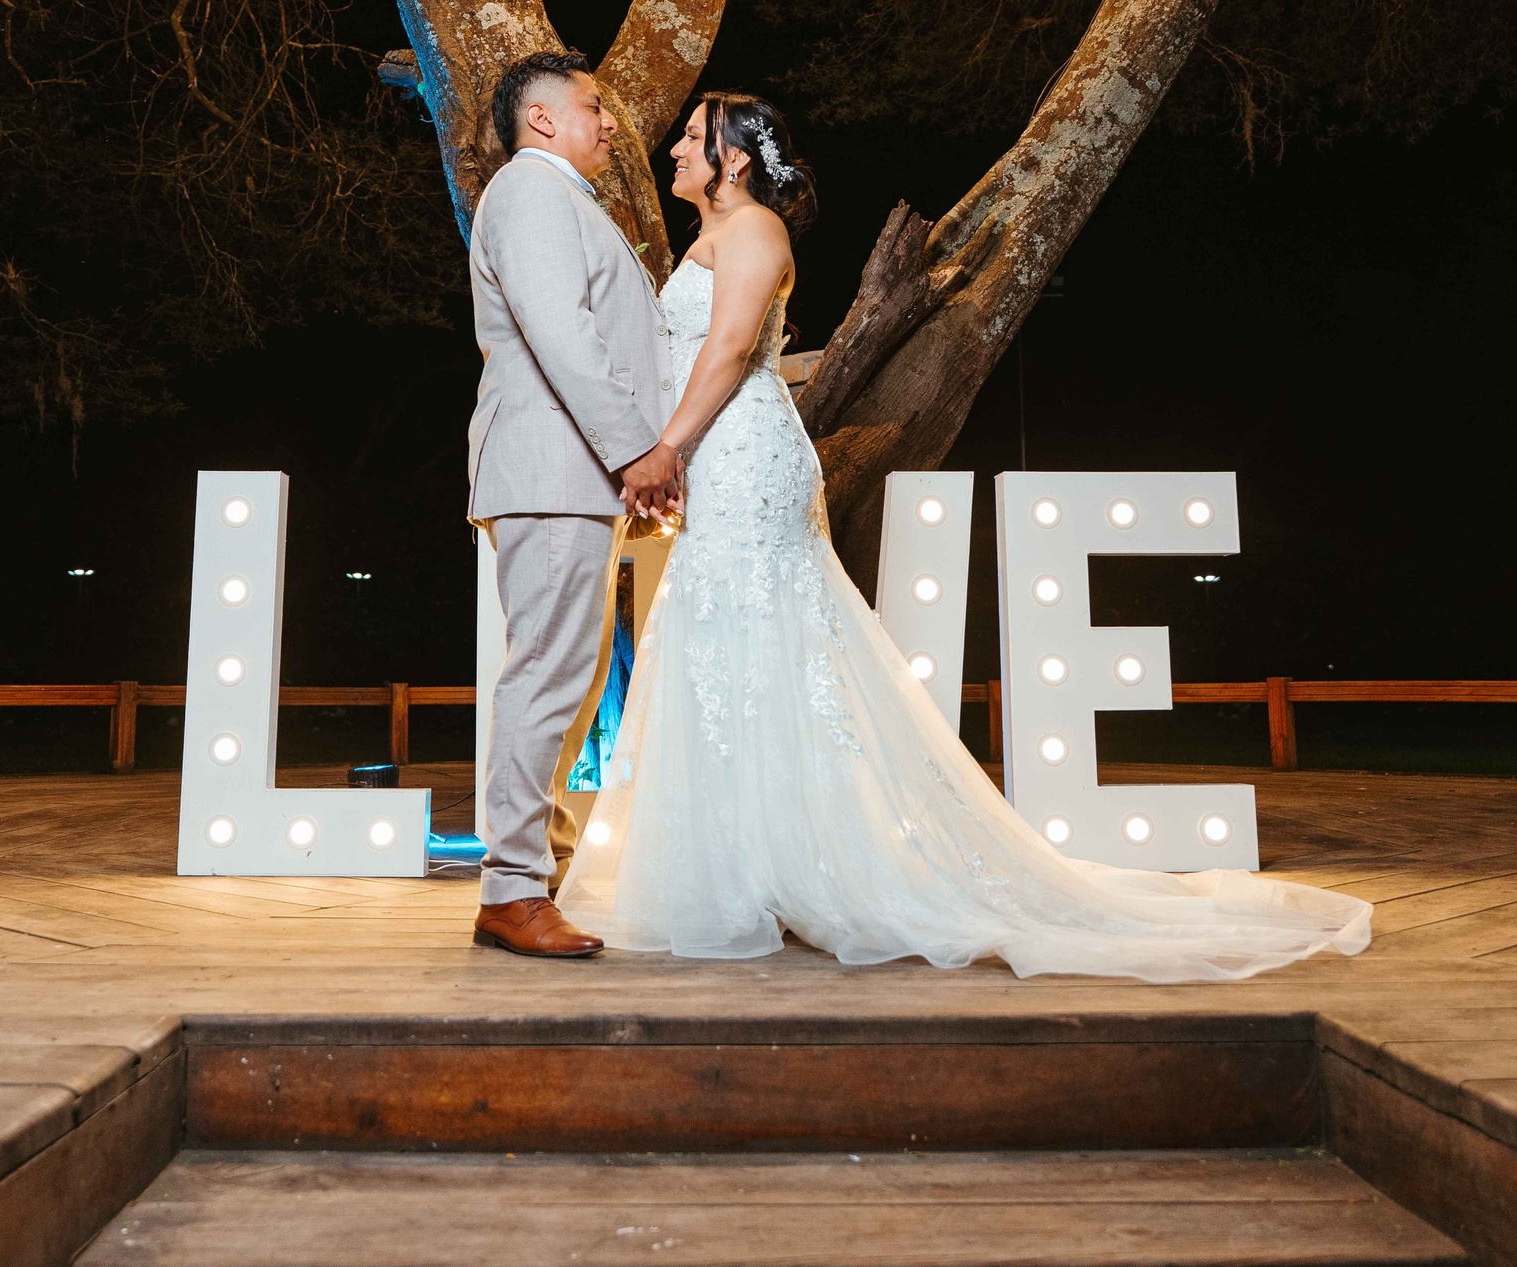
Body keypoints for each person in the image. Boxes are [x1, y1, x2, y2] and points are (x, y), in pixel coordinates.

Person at [555, 92, 1373, 981]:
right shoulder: (717, 235)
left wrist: (666, 449)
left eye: (692, 136)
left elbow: (725, 350)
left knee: (760, 642)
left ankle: (806, 869)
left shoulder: (755, 233)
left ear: (735, 160)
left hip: (745, 459)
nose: (674, 146)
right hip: (718, 460)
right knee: (730, 656)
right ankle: (744, 867)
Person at [464, 51, 681, 959]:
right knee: (549, 671)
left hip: (569, 473)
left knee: (571, 674)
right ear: (544, 119)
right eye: (594, 107)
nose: (610, 122)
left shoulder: (562, 198)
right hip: (554, 468)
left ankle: (531, 873)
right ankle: (510, 887)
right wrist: (635, 448)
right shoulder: (530, 193)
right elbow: (563, 335)